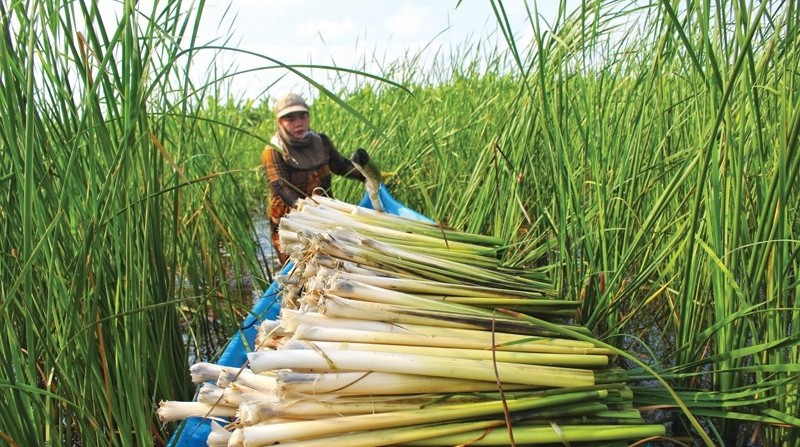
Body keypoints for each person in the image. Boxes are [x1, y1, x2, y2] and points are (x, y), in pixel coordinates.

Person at [262, 93, 366, 265]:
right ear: (279, 122)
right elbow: (281, 188)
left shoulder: (321, 142)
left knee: (330, 263)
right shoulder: (273, 150)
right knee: (296, 269)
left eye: (303, 116)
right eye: (290, 119)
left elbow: (341, 166)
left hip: (324, 215)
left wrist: (367, 175)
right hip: (290, 223)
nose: (299, 123)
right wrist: (308, 210)